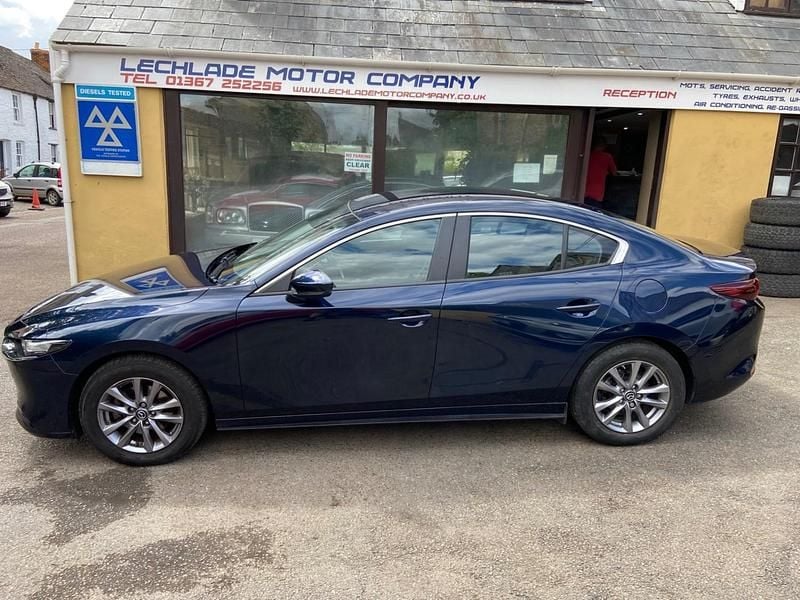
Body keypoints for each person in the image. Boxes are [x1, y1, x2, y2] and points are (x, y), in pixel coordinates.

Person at [584, 141, 618, 209]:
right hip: (597, 193)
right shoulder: (607, 157)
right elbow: (614, 173)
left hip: (584, 191)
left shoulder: (587, 155)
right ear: (604, 146)